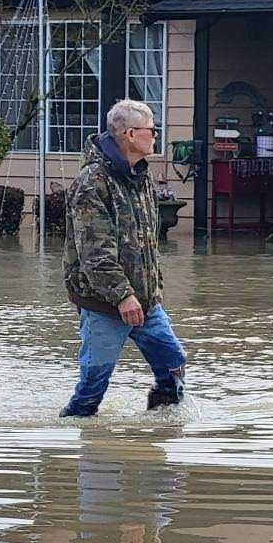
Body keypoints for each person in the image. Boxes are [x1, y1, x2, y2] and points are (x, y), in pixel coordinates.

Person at [59, 98, 187, 418]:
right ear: (130, 134)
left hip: (145, 301)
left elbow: (146, 242)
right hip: (105, 302)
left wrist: (151, 290)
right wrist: (123, 295)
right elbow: (94, 253)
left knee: (173, 365)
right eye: (151, 130)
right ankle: (75, 447)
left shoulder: (140, 176)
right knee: (91, 391)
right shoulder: (92, 183)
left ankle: (159, 438)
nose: (156, 135)